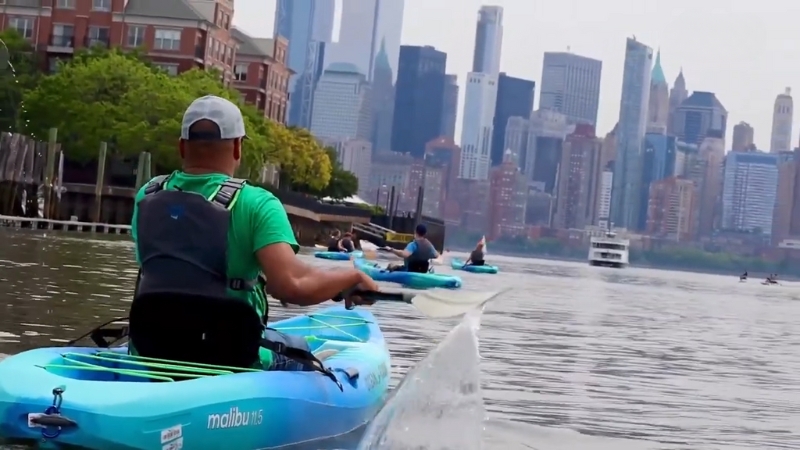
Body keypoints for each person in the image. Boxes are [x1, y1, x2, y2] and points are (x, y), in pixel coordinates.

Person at [128, 95, 379, 375]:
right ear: (237, 147)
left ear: (182, 146)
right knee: (303, 351)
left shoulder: (147, 195)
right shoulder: (257, 203)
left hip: (151, 350)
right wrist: (351, 277)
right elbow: (290, 285)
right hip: (230, 358)